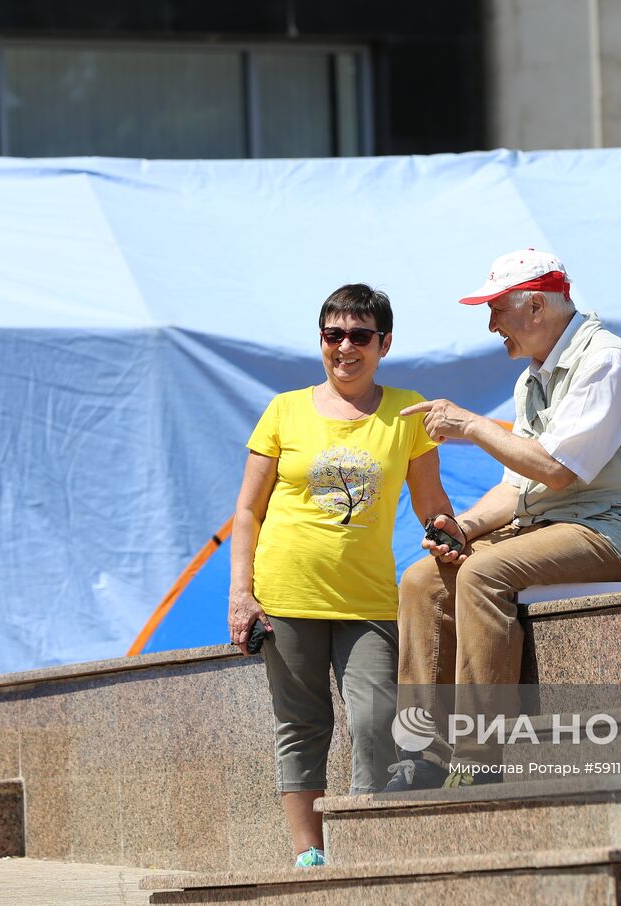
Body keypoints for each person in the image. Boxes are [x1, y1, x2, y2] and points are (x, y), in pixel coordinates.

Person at [386, 248, 621, 790]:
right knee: (423, 578)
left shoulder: (609, 361)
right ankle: (421, 754)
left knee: (482, 574)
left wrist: (472, 424)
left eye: (496, 308)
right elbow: (517, 488)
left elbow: (557, 470)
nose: (491, 324)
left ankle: (479, 756)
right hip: (553, 528)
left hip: (618, 531)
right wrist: (464, 529)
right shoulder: (532, 380)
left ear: (536, 306)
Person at [228, 283, 467, 866]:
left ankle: (362, 838)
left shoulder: (405, 411)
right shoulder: (283, 410)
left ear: (384, 343)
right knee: (302, 725)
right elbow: (246, 512)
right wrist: (241, 596)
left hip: (367, 602)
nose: (345, 348)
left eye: (360, 336)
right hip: (286, 596)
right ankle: (310, 855)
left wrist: (447, 532)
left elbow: (430, 499)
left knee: (376, 717)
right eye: (333, 335)